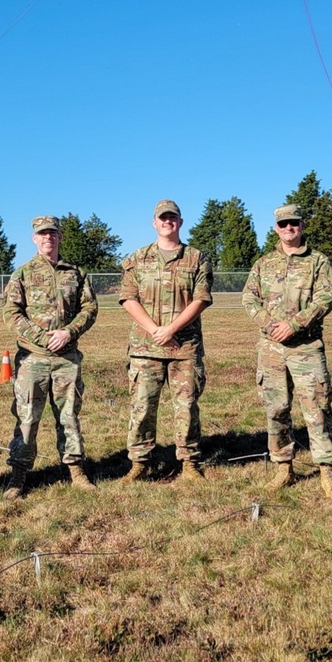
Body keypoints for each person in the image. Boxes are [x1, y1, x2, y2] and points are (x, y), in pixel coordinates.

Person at [241, 205, 332, 497]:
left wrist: (294, 325)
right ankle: (283, 468)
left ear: (302, 226)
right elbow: (249, 298)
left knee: (317, 410)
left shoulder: (318, 262)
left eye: (294, 224)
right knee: (276, 409)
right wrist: (271, 325)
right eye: (283, 224)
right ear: (276, 228)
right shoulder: (263, 264)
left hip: (306, 347)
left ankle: (326, 471)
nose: (289, 229)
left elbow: (325, 298)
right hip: (271, 349)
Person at [1, 215, 99, 498]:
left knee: (69, 416)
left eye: (53, 234)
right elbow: (11, 314)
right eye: (42, 234)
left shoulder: (75, 273)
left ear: (59, 237)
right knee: (26, 418)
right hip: (33, 358)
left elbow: (89, 308)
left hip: (67, 359)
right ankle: (18, 476)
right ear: (34, 238)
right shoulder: (22, 274)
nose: (48, 238)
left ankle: (76, 471)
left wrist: (69, 332)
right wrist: (44, 338)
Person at [119, 199, 213, 481]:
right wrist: (154, 330)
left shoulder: (196, 258)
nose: (167, 222)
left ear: (180, 222)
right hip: (145, 348)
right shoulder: (137, 258)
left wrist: (171, 329)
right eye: (162, 218)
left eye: (172, 218)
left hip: (184, 348)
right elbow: (128, 298)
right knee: (142, 406)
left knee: (186, 407)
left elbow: (201, 299)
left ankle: (189, 462)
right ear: (154, 223)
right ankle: (139, 461)